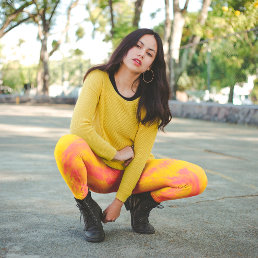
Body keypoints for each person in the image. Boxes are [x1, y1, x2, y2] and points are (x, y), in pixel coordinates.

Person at [54, 28, 207, 243]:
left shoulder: (151, 99)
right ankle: (88, 210)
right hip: (100, 172)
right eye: (138, 46)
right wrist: (114, 154)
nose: (141, 54)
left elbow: (140, 156)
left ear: (151, 65)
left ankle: (140, 204)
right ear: (126, 47)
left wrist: (118, 202)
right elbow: (79, 127)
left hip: (134, 175)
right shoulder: (98, 78)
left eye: (149, 53)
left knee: (196, 179)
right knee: (67, 145)